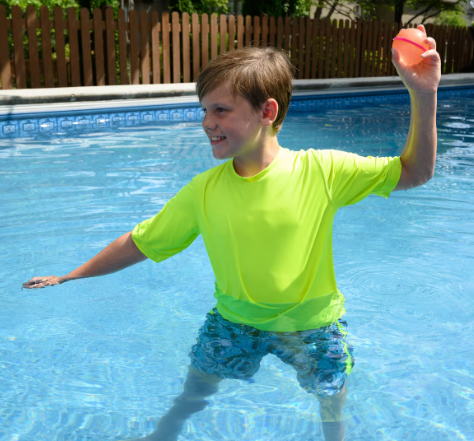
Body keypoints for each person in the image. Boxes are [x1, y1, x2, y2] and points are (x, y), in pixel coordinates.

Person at [23, 25, 440, 441]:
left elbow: (415, 172)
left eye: (221, 110)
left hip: (314, 328)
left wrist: (424, 95)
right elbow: (139, 242)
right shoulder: (204, 191)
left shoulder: (322, 171)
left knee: (331, 402)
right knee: (193, 394)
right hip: (234, 325)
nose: (207, 122)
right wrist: (71, 275)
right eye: (204, 110)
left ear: (267, 111)